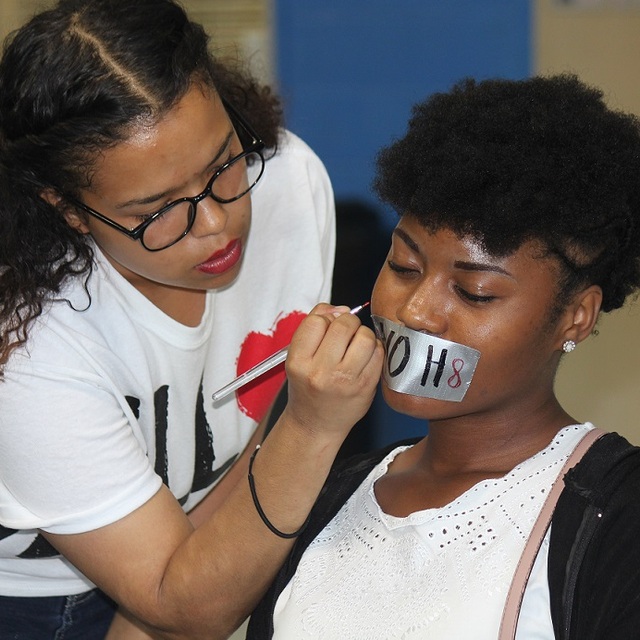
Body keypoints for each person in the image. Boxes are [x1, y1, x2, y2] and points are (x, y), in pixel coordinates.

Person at [0, 1, 383, 638]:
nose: (216, 225)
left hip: (193, 552)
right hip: (32, 602)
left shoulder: (287, 183)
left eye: (222, 165)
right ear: (67, 208)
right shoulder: (31, 345)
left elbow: (187, 582)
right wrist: (312, 429)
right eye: (157, 211)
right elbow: (183, 602)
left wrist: (170, 603)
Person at [248, 74, 640, 639]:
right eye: (403, 268)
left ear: (575, 316)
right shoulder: (331, 493)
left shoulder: (615, 517)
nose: (417, 312)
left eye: (475, 292)